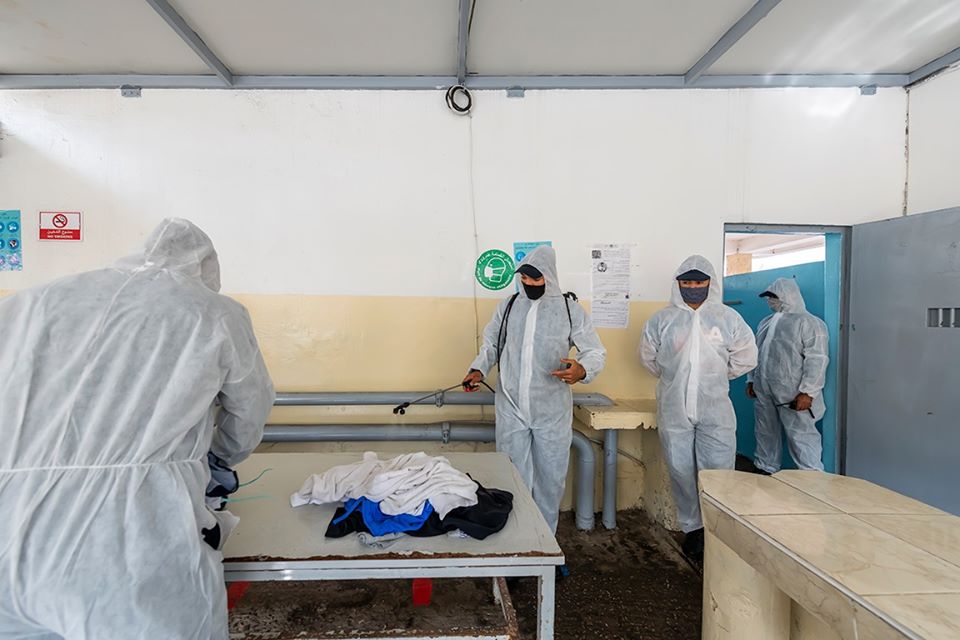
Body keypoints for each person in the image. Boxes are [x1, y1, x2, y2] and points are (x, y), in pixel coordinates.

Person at [0, 218, 275, 640]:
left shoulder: (30, 303)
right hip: (127, 542)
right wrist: (220, 460)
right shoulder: (213, 312)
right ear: (205, 270)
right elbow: (248, 411)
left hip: (11, 528)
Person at [462, 246, 606, 535]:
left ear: (549, 278)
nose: (528, 283)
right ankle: (516, 542)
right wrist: (478, 369)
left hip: (551, 411)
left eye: (535, 279)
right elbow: (491, 344)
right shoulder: (509, 306)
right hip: (511, 406)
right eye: (524, 278)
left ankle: (543, 540)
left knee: (550, 481)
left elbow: (595, 351)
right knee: (511, 478)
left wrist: (582, 370)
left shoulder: (569, 311)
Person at [638, 255, 757, 558]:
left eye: (699, 282)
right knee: (680, 469)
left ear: (710, 283)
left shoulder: (728, 318)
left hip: (715, 407)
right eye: (687, 282)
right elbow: (649, 357)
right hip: (674, 407)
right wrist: (678, 377)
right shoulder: (662, 320)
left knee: (718, 471)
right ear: (678, 284)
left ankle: (717, 530)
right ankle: (693, 529)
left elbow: (746, 356)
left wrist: (713, 376)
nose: (693, 287)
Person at [747, 278, 829, 474]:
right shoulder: (766, 322)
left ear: (789, 296)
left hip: (794, 394)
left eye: (774, 297)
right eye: (769, 297)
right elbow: (757, 353)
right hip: (764, 389)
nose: (770, 301)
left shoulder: (810, 323)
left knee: (801, 435)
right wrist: (751, 380)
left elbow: (817, 359)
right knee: (765, 431)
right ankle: (765, 468)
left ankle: (811, 477)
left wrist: (808, 392)